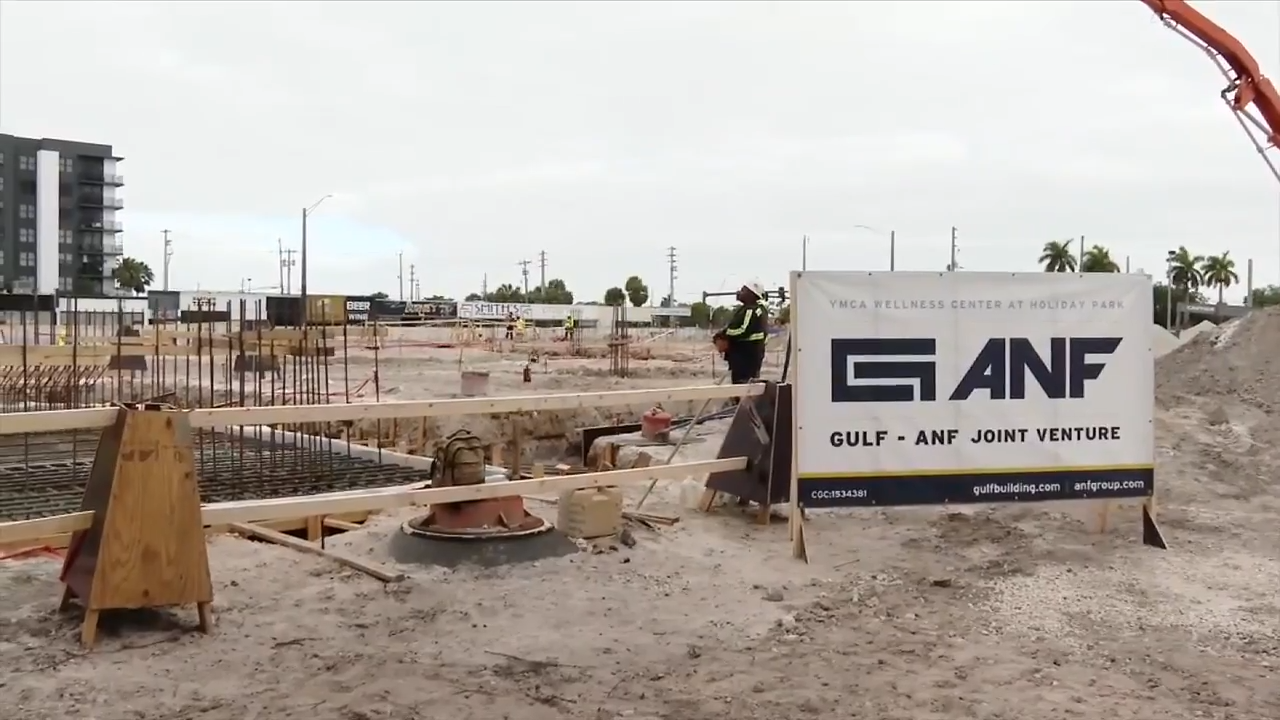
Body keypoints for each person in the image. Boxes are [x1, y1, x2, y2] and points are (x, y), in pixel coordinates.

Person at [719, 282, 769, 384]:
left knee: (743, 384)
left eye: (743, 290)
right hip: (749, 356)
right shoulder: (756, 309)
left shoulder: (751, 310)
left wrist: (724, 335)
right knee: (748, 384)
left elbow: (743, 330)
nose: (739, 292)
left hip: (745, 358)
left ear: (752, 294)